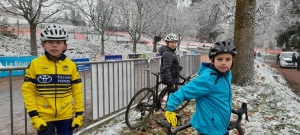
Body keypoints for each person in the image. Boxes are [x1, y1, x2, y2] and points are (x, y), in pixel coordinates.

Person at [21, 24, 84, 135]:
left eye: (58, 43)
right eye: (50, 42)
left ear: (64, 46)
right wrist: (34, 116)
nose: (54, 46)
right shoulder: (35, 65)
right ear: (43, 45)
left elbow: (77, 92)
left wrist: (79, 114)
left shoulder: (71, 65)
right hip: (44, 117)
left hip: (66, 116)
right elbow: (28, 92)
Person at [164, 41, 237, 135]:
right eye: (219, 59)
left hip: (221, 124)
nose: (224, 63)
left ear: (232, 61)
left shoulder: (227, 75)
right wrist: (169, 109)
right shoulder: (207, 79)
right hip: (209, 129)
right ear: (212, 60)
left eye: (227, 59)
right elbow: (184, 91)